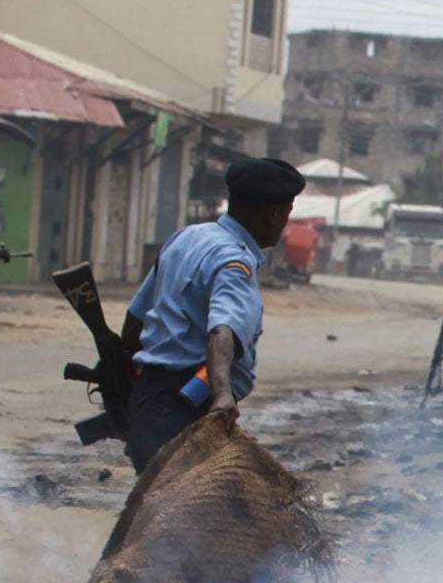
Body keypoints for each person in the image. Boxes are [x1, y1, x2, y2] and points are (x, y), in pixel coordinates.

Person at [119, 157, 308, 473]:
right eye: (286, 215)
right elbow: (222, 331)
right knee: (186, 515)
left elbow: (136, 317)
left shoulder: (185, 238)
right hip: (187, 409)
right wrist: (221, 395)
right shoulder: (234, 262)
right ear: (274, 214)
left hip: (148, 400)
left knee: (154, 501)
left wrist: (127, 388)